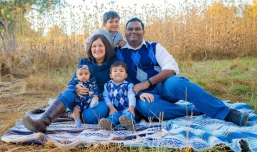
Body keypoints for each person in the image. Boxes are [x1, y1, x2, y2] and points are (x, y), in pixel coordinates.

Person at [115, 17, 249, 126]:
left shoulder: (154, 47)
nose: (134, 31)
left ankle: (227, 113)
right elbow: (98, 44)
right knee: (150, 109)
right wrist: (140, 90)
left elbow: (172, 68)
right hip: (141, 93)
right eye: (130, 29)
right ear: (125, 33)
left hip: (163, 85)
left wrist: (148, 82)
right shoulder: (118, 52)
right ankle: (196, 110)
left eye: (138, 29)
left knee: (178, 83)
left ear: (143, 32)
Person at [22, 34, 119, 133]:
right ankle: (42, 122)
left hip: (99, 100)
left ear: (106, 47)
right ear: (90, 48)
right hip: (80, 98)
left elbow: (121, 82)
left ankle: (71, 114)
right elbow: (72, 82)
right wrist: (77, 88)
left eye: (100, 46)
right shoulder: (84, 62)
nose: (97, 49)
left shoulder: (114, 63)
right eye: (94, 46)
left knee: (90, 116)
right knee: (68, 93)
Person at [99, 61, 136, 131]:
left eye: (121, 71)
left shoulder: (128, 85)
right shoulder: (107, 85)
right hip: (114, 108)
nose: (118, 72)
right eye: (115, 71)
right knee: (113, 116)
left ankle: (130, 124)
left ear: (125, 75)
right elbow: (106, 97)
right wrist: (111, 107)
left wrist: (131, 106)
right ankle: (108, 124)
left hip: (126, 107)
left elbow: (131, 96)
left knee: (128, 114)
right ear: (111, 75)